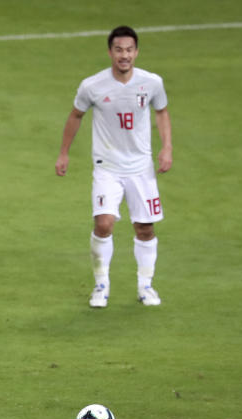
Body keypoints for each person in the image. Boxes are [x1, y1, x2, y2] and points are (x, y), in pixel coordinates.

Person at [55, 25, 173, 308]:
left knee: (145, 228)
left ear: (137, 52)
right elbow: (75, 115)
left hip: (141, 168)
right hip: (107, 167)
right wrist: (64, 153)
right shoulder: (92, 85)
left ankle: (146, 285)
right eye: (119, 50)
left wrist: (166, 147)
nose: (124, 55)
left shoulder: (152, 82)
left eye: (129, 50)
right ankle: (101, 284)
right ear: (110, 52)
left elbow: (162, 111)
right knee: (104, 223)